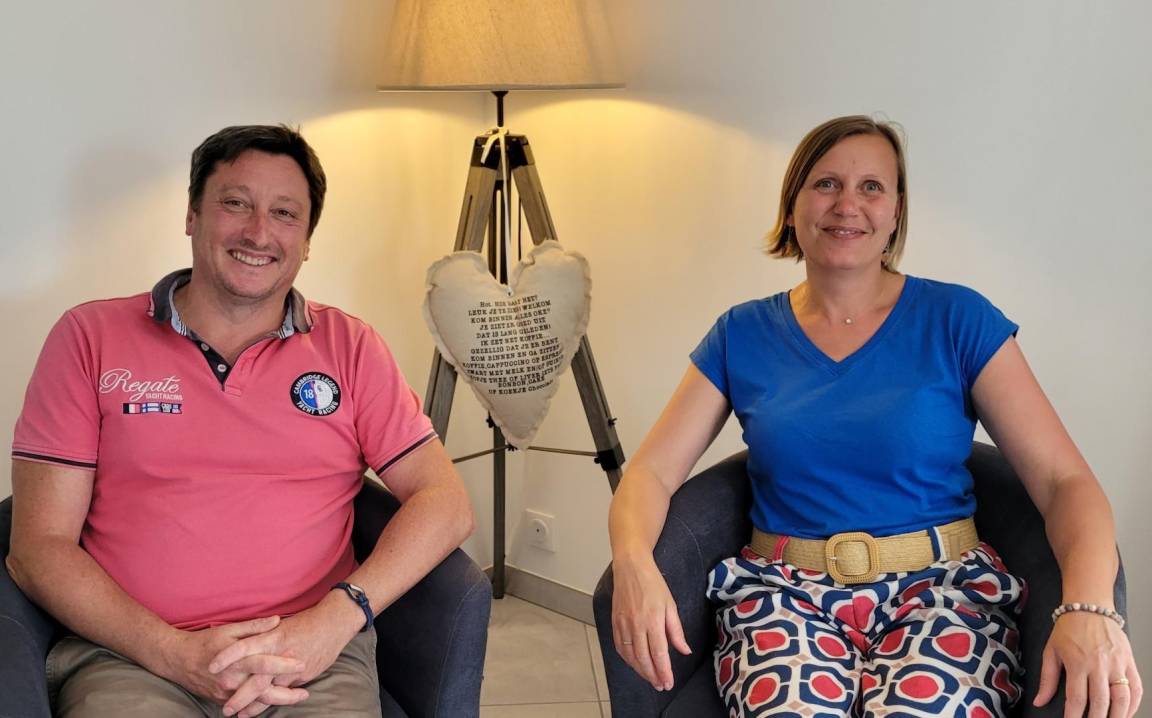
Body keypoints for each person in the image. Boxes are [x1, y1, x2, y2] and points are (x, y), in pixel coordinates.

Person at [608, 116, 1141, 717]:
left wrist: (1090, 607)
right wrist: (633, 563)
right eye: (825, 184)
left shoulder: (959, 319)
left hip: (942, 594)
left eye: (871, 187)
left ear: (895, 211)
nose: (847, 205)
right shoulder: (741, 332)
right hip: (782, 597)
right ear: (792, 207)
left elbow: (1065, 481)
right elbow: (650, 472)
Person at [6, 125, 475, 717]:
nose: (258, 232)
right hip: (131, 656)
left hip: (309, 655)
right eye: (235, 203)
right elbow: (39, 546)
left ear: (307, 240)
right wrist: (171, 652)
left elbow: (445, 502)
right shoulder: (89, 338)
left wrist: (335, 619)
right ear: (192, 214)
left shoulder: (351, 347)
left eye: (285, 213)